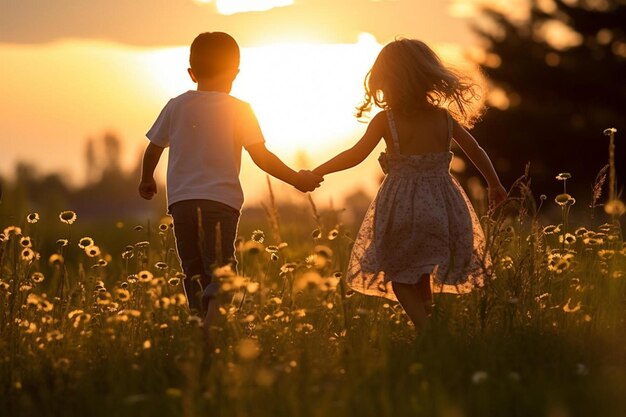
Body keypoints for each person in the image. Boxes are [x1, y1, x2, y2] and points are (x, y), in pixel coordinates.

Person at [313, 39, 507, 331]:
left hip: (401, 206)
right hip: (442, 206)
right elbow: (476, 150)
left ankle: (425, 330)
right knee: (423, 271)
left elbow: (355, 155)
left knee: (398, 272)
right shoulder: (444, 118)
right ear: (427, 76)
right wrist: (494, 184)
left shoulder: (385, 121)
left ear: (385, 81)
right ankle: (428, 327)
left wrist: (319, 170)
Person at [139, 32, 322, 329]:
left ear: (191, 73)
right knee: (223, 272)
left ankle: (201, 326)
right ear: (235, 73)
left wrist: (147, 179)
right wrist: (295, 179)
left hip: (182, 204)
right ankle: (212, 328)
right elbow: (261, 156)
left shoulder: (176, 105)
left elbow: (154, 147)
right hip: (220, 204)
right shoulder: (240, 109)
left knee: (194, 270)